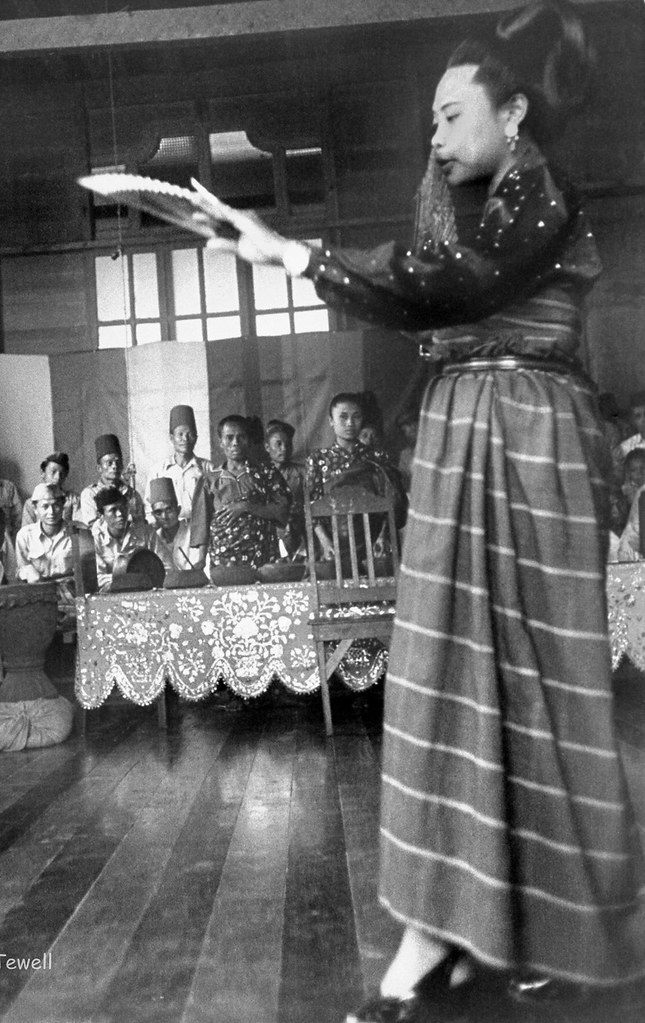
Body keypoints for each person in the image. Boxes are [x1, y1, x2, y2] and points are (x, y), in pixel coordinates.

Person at [207, 1, 645, 1015]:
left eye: (454, 116)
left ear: (517, 114)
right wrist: (297, 260)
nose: (436, 136)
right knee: (448, 678)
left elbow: (449, 284)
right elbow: (427, 284)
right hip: (457, 438)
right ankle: (438, 940)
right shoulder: (452, 203)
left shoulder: (545, 198)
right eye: (431, 122)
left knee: (542, 686)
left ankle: (544, 926)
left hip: (532, 440)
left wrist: (300, 259)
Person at [306, 392, 406, 561]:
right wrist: (325, 542)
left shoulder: (377, 457)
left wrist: (383, 536)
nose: (350, 423)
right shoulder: (318, 460)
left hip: (374, 543)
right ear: (331, 421)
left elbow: (392, 503)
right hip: (332, 545)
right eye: (343, 417)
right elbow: (310, 506)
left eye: (356, 417)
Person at [190, 414, 290, 569]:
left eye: (241, 437)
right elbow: (202, 522)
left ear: (248, 440)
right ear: (220, 442)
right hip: (223, 562)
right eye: (229, 438)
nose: (235, 443)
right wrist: (201, 560)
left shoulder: (266, 474)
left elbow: (282, 510)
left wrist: (247, 506)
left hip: (262, 556)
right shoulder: (209, 480)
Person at [149, 405, 212, 522]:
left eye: (190, 434)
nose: (185, 439)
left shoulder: (208, 468)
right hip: (169, 531)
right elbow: (149, 508)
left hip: (201, 530)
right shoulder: (158, 470)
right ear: (171, 438)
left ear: (196, 438)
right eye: (180, 434)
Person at [91, 487, 161, 591]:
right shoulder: (96, 539)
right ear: (101, 515)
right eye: (113, 510)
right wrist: (128, 580)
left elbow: (166, 566)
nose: (120, 514)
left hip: (148, 592)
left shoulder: (146, 532)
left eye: (123, 508)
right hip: (111, 595)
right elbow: (97, 578)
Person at [78, 434, 146, 527]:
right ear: (99, 468)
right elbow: (93, 527)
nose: (115, 466)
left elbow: (141, 525)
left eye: (118, 462)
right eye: (109, 463)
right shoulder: (90, 494)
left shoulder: (132, 494)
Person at [15, 483, 74, 583]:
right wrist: (27, 572)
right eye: (45, 506)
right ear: (35, 509)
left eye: (56, 505)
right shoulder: (25, 536)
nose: (51, 512)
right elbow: (21, 570)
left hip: (71, 592)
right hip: (39, 592)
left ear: (63, 505)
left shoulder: (77, 533)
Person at [264, 419, 305, 558]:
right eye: (278, 444)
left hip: (300, 530)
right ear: (267, 447)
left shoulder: (303, 472)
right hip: (271, 532)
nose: (284, 449)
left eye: (288, 444)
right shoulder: (260, 475)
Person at [149, 476, 205, 571]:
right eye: (159, 512)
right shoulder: (154, 539)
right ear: (153, 515)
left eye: (169, 510)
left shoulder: (192, 532)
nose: (164, 517)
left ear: (178, 510)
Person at [21, 452, 81, 527]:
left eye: (62, 473)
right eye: (53, 472)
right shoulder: (31, 504)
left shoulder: (74, 499)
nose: (58, 477)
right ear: (42, 473)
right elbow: (27, 532)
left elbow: (79, 528)